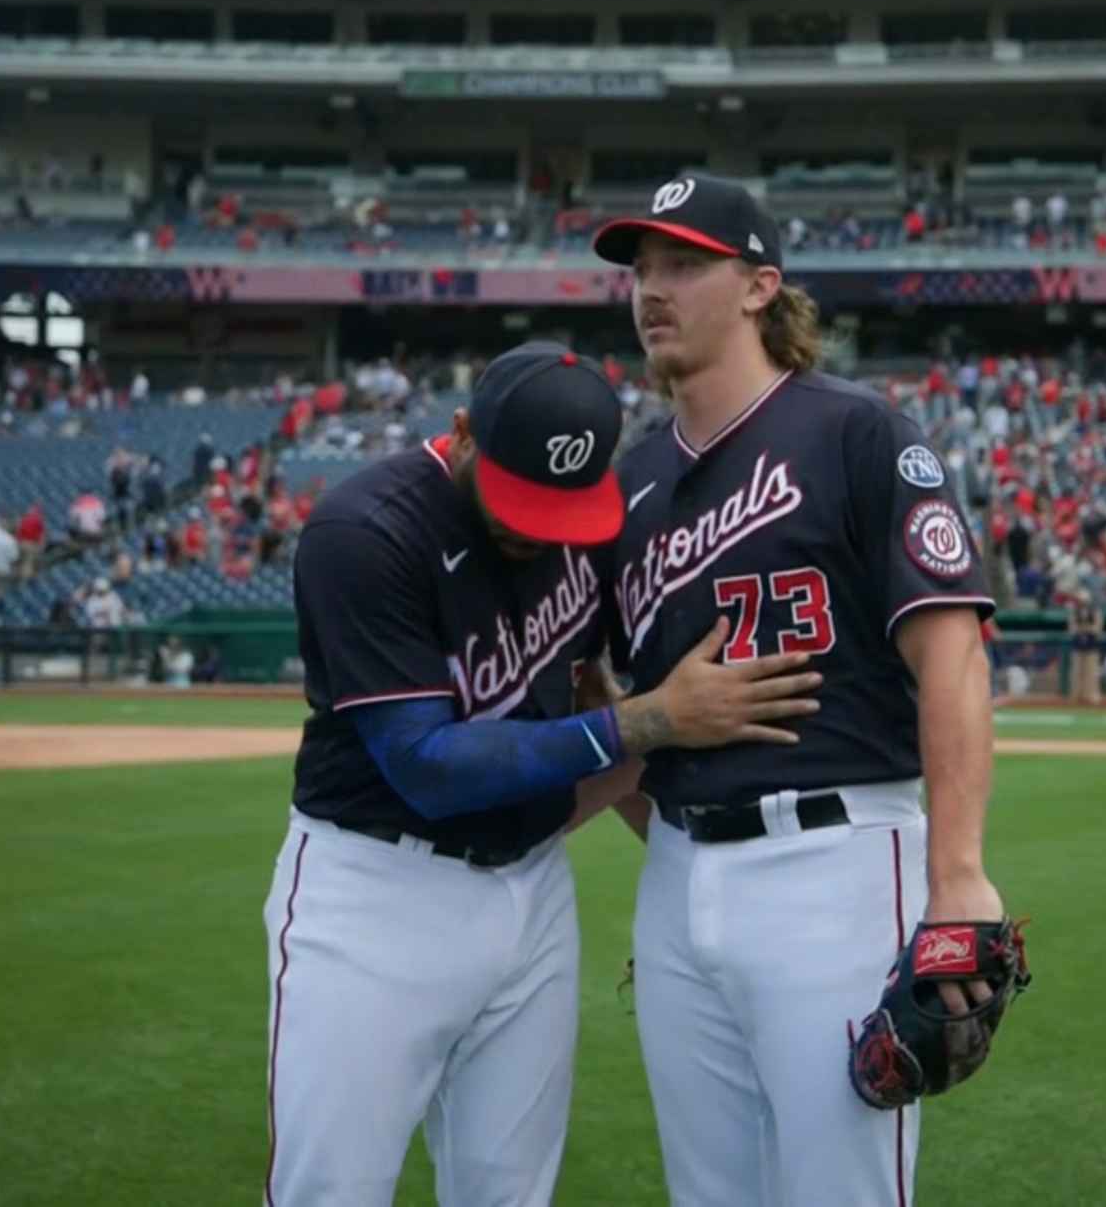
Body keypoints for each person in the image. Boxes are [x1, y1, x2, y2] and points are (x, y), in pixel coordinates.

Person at [264, 340, 824, 1207]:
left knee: (508, 1192)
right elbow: (427, 765)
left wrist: (702, 900)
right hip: (375, 894)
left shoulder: (587, 531)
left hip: (533, 890)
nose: (533, 529)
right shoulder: (364, 532)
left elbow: (609, 703)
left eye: (557, 508)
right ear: (460, 434)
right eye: (515, 499)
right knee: (330, 1191)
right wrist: (648, 718)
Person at [588, 175, 1009, 1205]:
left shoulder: (858, 433)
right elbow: (611, 693)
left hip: (838, 862)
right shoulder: (628, 486)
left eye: (685, 264)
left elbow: (951, 653)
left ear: (759, 287)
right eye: (642, 269)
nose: (654, 288)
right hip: (678, 879)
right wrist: (693, 885)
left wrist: (956, 877)